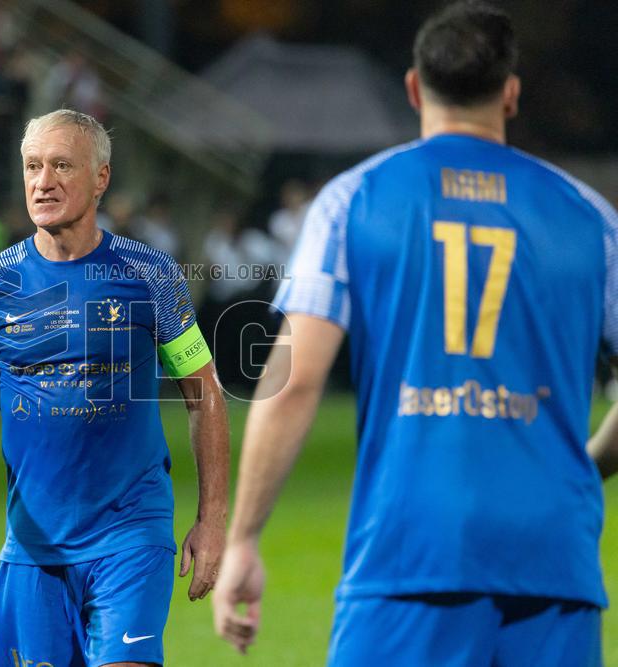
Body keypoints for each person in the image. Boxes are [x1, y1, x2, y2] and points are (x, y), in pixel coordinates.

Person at [212, 4, 618, 666]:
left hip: (407, 555)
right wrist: (589, 462)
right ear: (511, 94)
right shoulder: (590, 217)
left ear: (412, 87)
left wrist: (244, 539)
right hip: (555, 560)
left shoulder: (353, 201)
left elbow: (294, 380)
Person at [0, 109, 229, 667]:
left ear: (101, 178)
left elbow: (203, 392)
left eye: (62, 165)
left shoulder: (150, 275)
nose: (44, 182)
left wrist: (212, 522)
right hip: (34, 548)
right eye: (33, 167)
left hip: (131, 535)